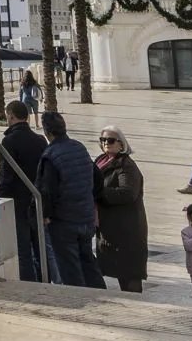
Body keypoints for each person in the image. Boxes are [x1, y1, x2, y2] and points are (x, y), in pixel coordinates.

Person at [36, 110, 106, 288]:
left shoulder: (50, 155)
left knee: (69, 267)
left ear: (47, 132)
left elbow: (47, 190)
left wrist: (46, 215)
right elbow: (98, 178)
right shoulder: (79, 147)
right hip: (84, 216)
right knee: (88, 260)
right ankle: (101, 293)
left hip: (64, 221)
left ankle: (79, 301)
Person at [0, 100, 48, 282]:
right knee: (40, 247)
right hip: (37, 202)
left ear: (10, 115)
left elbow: (6, 175)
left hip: (18, 203)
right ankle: (45, 282)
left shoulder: (8, 141)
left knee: (23, 250)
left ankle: (30, 285)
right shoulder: (40, 140)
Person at [93, 125, 147, 293]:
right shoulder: (100, 161)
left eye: (110, 140)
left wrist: (99, 194)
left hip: (127, 231)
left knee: (129, 275)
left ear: (121, 144)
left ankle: (136, 309)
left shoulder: (126, 165)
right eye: (103, 140)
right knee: (119, 272)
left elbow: (128, 192)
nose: (106, 143)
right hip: (110, 229)